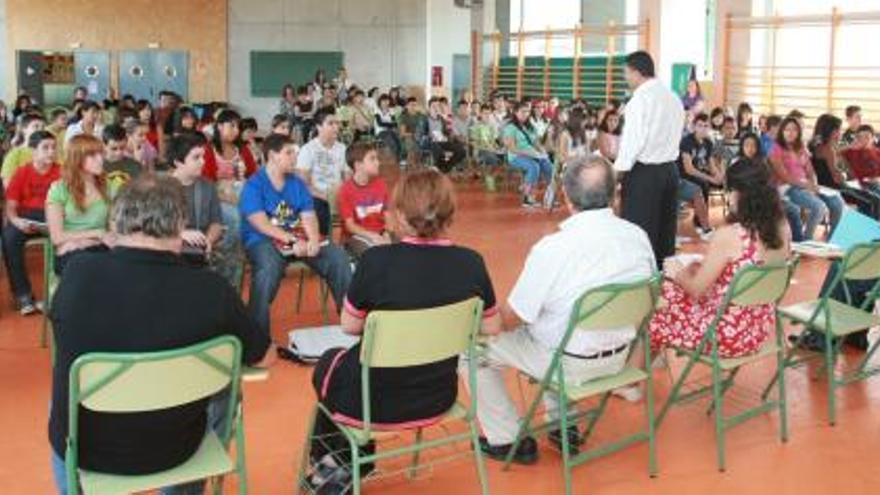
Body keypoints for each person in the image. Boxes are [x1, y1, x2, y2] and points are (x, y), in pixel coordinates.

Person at [48, 175, 274, 495]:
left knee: (64, 383)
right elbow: (266, 357)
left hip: (89, 449)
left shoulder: (78, 273)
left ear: (116, 219)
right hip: (176, 449)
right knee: (227, 385)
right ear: (181, 223)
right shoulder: (212, 290)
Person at [306, 168, 500, 489]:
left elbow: (350, 325)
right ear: (449, 214)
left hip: (372, 404)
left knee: (329, 362)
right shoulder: (471, 263)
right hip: (438, 395)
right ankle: (344, 462)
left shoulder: (377, 261)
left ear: (399, 215)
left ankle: (339, 464)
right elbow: (491, 325)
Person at [467, 155, 655, 464]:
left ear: (566, 198)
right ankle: (563, 426)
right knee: (558, 323)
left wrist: (473, 321)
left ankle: (506, 439)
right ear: (614, 194)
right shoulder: (638, 236)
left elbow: (514, 318)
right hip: (623, 358)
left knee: (474, 349)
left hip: (569, 365)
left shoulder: (553, 249)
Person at [651, 160, 790, 358]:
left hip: (721, 336)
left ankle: (633, 382)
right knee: (670, 299)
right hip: (757, 331)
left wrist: (677, 272)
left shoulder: (730, 235)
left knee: (660, 300)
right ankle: (644, 369)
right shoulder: (782, 227)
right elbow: (746, 270)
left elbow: (697, 290)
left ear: (738, 193)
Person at [241, 133, 352, 336]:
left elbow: (308, 215)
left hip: (298, 238)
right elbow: (261, 223)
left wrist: (312, 239)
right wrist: (293, 240)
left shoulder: (296, 183)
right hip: (263, 240)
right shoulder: (254, 184)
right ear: (273, 156)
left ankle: (351, 323)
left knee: (338, 258)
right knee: (267, 269)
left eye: (295, 152)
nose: (295, 157)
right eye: (289, 152)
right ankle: (256, 336)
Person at [615, 51, 684, 267]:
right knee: (665, 232)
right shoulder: (673, 98)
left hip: (645, 174)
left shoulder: (640, 100)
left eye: (626, 73)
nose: (625, 78)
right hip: (670, 171)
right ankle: (663, 280)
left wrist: (617, 174)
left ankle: (640, 282)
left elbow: (632, 144)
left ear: (636, 72)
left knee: (639, 232)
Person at [2, 130, 60, 314]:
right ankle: (23, 296)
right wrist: (16, 221)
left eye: (53, 147)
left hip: (53, 215)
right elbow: (11, 206)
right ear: (34, 151)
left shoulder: (62, 172)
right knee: (9, 238)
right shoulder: (22, 172)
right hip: (26, 216)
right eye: (46, 148)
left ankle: (57, 294)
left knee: (66, 240)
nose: (51, 151)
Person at [46, 134, 115, 275]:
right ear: (77, 159)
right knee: (86, 268)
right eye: (93, 155)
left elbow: (113, 228)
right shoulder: (59, 189)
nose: (101, 159)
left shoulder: (108, 186)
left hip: (100, 247)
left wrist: (97, 240)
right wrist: (97, 233)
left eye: (101, 154)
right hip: (71, 251)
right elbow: (57, 237)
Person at [769, 116, 844, 240]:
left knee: (838, 203)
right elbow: (785, 176)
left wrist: (813, 184)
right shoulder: (776, 148)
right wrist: (806, 185)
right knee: (818, 207)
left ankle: (832, 238)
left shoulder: (801, 148)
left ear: (798, 132)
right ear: (782, 131)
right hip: (788, 187)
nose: (790, 133)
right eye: (787, 130)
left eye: (794, 130)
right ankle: (806, 241)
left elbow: (810, 170)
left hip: (806, 185)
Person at [202, 109, 258, 262]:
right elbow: (206, 183)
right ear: (219, 126)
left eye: (238, 127)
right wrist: (226, 192)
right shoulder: (208, 150)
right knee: (235, 217)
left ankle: (245, 252)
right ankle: (223, 255)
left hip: (239, 194)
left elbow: (253, 177)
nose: (236, 131)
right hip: (216, 196)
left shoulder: (242, 149)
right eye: (231, 126)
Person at [810, 113, 880, 219]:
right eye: (838, 130)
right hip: (834, 188)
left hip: (825, 185)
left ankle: (863, 227)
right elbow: (837, 178)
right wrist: (845, 176)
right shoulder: (828, 149)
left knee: (869, 195)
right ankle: (872, 232)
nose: (840, 133)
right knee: (874, 200)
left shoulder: (816, 145)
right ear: (832, 132)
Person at [296, 110, 348, 238]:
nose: (336, 127)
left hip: (337, 194)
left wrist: (344, 194)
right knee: (319, 207)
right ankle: (322, 241)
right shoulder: (308, 150)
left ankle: (344, 242)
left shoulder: (342, 148)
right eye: (331, 123)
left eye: (337, 123)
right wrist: (326, 196)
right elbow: (304, 184)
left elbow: (347, 177)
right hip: (317, 196)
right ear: (319, 127)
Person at [337, 142, 392, 259]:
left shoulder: (381, 184)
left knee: (403, 248)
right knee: (375, 254)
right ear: (358, 165)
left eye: (377, 158)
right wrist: (373, 236)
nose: (378, 162)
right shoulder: (345, 190)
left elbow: (388, 215)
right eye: (372, 159)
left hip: (380, 232)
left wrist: (387, 233)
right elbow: (350, 226)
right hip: (356, 236)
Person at [503, 101, 554, 208]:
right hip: (516, 156)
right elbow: (512, 148)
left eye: (527, 112)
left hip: (532, 154)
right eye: (523, 112)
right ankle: (527, 197)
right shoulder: (509, 127)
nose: (526, 114)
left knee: (547, 164)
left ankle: (551, 194)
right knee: (533, 166)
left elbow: (536, 143)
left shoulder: (530, 127)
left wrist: (542, 151)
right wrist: (529, 153)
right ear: (515, 112)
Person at [426, 97, 466, 173]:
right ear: (429, 108)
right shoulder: (425, 119)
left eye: (437, 106)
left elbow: (446, 132)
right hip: (431, 141)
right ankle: (440, 167)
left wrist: (450, 134)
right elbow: (420, 134)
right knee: (440, 150)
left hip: (442, 141)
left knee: (461, 151)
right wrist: (429, 136)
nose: (436, 108)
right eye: (433, 106)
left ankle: (445, 168)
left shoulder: (441, 119)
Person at [1, 113, 44, 183]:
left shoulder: (49, 152)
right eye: (36, 127)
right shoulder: (14, 154)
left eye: (43, 127)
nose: (41, 130)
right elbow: (8, 185)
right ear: (24, 129)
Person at [102, 124, 146, 189]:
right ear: (104, 146)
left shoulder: (134, 165)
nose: (119, 153)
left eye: (122, 148)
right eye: (114, 149)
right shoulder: (97, 166)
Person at [842, 124, 880, 197]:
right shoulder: (851, 151)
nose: (864, 140)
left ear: (873, 138)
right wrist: (850, 146)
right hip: (862, 185)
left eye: (867, 137)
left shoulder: (877, 152)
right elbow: (834, 152)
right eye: (860, 137)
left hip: (876, 183)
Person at [471, 103, 504, 168]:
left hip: (492, 151)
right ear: (480, 114)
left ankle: (496, 165)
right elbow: (475, 144)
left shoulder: (492, 126)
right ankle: (495, 164)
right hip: (480, 151)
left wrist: (496, 147)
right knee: (491, 157)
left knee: (501, 153)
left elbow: (494, 141)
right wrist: (489, 147)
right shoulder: (476, 126)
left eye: (489, 114)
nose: (487, 115)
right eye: (485, 113)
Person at [398, 97, 428, 166]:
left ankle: (417, 165)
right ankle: (411, 166)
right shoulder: (404, 116)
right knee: (412, 146)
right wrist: (413, 134)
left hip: (420, 137)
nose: (413, 107)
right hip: (408, 137)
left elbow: (426, 127)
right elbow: (402, 133)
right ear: (407, 106)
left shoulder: (421, 115)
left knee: (421, 144)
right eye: (411, 105)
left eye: (415, 105)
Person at [374, 94, 402, 161]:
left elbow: (395, 123)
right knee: (391, 140)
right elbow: (380, 123)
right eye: (383, 101)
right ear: (380, 102)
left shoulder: (391, 111)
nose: (385, 103)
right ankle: (394, 159)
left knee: (397, 140)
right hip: (380, 133)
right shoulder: (377, 111)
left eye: (387, 101)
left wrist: (389, 124)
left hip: (390, 132)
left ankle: (397, 159)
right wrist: (390, 124)